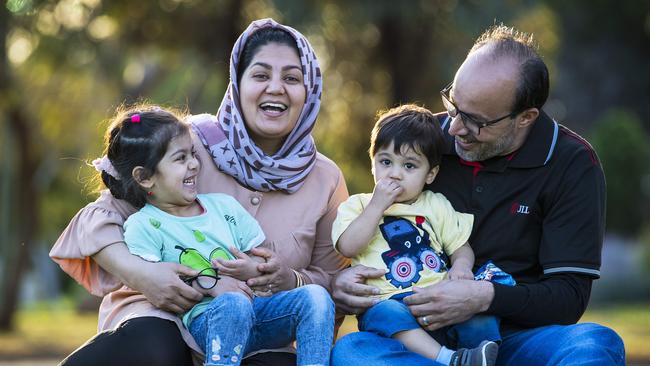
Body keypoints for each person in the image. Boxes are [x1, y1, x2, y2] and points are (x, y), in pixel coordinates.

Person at [50, 18, 349, 366]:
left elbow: (331, 281)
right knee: (158, 349)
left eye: (292, 78)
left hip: (257, 332)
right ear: (238, 83)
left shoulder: (325, 179)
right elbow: (99, 217)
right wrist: (142, 274)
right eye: (261, 75)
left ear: (309, 89)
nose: (276, 88)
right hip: (163, 318)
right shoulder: (188, 144)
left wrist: (290, 279)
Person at [330, 24, 625, 365]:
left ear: (525, 117)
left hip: (517, 340)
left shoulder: (572, 164)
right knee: (353, 352)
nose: (453, 128)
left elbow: (568, 297)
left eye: (474, 121)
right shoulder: (424, 144)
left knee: (595, 343)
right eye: (453, 104)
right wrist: (343, 286)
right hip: (419, 340)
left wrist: (483, 297)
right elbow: (369, 231)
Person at [95, 105, 334, 366]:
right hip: (207, 320)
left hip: (259, 312)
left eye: (193, 154)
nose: (194, 165)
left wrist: (253, 268)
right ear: (145, 177)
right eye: (180, 158)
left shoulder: (224, 207)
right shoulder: (143, 226)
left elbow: (259, 257)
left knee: (316, 297)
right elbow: (160, 287)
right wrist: (211, 285)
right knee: (234, 304)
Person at [332, 104, 501, 366]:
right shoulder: (360, 205)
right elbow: (348, 247)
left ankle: (480, 355)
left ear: (430, 174)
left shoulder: (436, 204)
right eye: (386, 162)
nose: (395, 174)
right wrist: (378, 206)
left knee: (481, 313)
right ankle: (449, 359)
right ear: (373, 163)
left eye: (409, 166)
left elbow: (460, 246)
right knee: (384, 314)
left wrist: (462, 267)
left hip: (440, 300)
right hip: (388, 301)